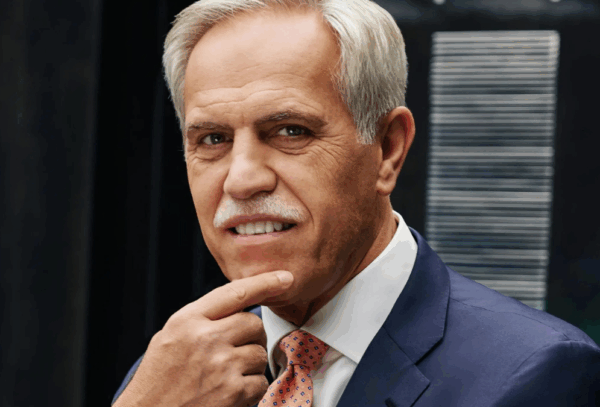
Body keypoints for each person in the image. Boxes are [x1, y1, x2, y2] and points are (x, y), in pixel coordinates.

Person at [112, 0, 600, 406]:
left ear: (388, 150)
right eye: (213, 139)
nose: (241, 180)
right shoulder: (175, 372)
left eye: (290, 131)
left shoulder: (534, 373)